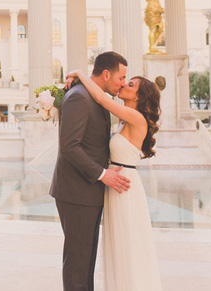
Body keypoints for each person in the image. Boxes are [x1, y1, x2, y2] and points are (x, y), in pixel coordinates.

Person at [65, 69, 163, 291]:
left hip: (124, 186)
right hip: (115, 183)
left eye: (130, 85)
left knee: (128, 242)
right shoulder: (123, 119)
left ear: (138, 96)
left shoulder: (136, 117)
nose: (124, 86)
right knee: (118, 243)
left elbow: (101, 97)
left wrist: (81, 73)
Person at [49, 51, 131, 290]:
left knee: (86, 260)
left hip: (87, 193)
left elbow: (92, 142)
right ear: (106, 74)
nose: (123, 84)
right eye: (121, 77)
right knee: (78, 262)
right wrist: (103, 174)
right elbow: (69, 147)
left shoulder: (94, 96)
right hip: (76, 193)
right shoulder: (79, 97)